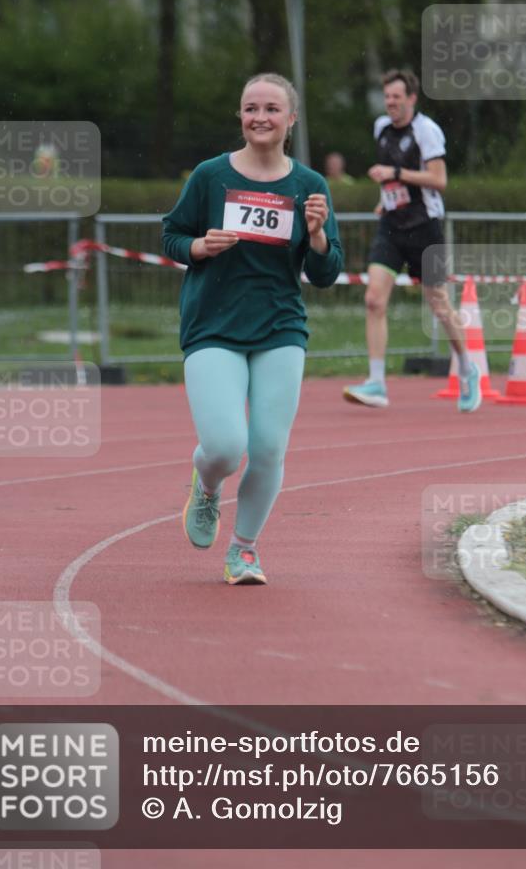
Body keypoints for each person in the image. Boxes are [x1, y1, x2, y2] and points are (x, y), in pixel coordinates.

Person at [162, 73, 343, 585]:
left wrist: (317, 238)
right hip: (213, 324)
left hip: (280, 327)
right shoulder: (210, 176)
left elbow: (326, 275)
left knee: (266, 448)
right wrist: (200, 247)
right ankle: (207, 481)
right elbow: (172, 235)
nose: (259, 117)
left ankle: (243, 549)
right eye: (249, 108)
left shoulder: (309, 186)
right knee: (225, 445)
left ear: (291, 119)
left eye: (270, 108)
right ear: (240, 116)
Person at [343, 69, 481, 412]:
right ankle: (376, 382)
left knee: (438, 303)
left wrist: (397, 175)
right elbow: (389, 175)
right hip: (392, 225)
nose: (390, 102)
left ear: (411, 99)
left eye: (396, 97)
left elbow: (440, 180)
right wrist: (386, 197)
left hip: (425, 226)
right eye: (387, 96)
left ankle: (467, 368)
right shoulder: (381, 128)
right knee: (374, 299)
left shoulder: (427, 131)